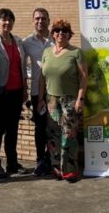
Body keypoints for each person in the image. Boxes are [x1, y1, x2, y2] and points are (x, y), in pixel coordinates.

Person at [37, 19, 87, 182]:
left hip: (70, 100)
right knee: (53, 135)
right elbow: (42, 78)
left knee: (69, 135)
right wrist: (40, 99)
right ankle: (56, 168)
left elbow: (83, 78)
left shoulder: (76, 52)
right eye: (57, 31)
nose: (60, 33)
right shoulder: (47, 52)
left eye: (64, 31)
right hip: (51, 100)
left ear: (69, 35)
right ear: (52, 34)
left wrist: (80, 99)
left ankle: (70, 170)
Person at [0, 8, 28, 179]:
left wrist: (25, 88)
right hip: (1, 92)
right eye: (4, 20)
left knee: (13, 129)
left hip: (17, 91)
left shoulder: (18, 41)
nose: (7, 23)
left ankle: (12, 163)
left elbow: (22, 67)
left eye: (10, 20)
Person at [23, 7, 53, 176]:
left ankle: (52, 158)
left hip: (56, 92)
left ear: (48, 20)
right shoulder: (27, 42)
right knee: (40, 128)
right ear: (33, 21)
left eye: (43, 18)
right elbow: (21, 66)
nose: (40, 21)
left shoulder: (56, 38)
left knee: (54, 127)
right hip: (37, 93)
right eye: (37, 18)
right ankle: (40, 160)